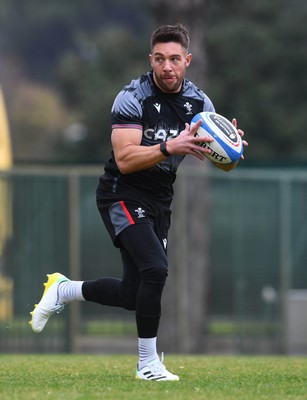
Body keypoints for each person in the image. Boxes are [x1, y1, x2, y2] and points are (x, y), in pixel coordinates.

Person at [30, 24, 247, 381]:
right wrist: (168, 147)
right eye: (160, 59)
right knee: (156, 269)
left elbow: (217, 157)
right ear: (151, 59)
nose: (167, 67)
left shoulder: (200, 104)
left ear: (187, 61)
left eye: (175, 59)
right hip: (122, 191)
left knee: (134, 293)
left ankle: (64, 290)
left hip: (160, 197)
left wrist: (230, 146)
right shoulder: (132, 97)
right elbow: (126, 159)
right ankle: (147, 363)